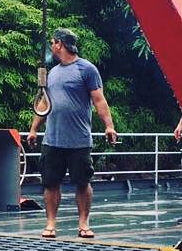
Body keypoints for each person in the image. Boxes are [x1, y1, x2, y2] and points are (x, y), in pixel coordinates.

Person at [26, 28, 117, 239]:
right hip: (53, 139)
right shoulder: (53, 72)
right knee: (50, 183)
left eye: (52, 42)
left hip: (79, 140)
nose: (51, 46)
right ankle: (50, 224)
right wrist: (33, 129)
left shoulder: (87, 69)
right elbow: (43, 102)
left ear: (59, 44)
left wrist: (109, 125)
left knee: (83, 183)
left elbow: (99, 100)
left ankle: (83, 224)